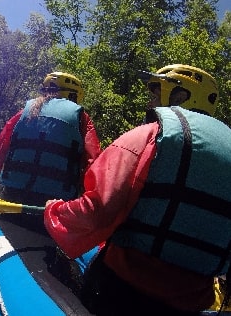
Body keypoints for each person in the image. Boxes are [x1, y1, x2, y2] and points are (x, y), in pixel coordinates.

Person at [44, 64, 231, 315]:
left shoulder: (148, 136)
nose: (150, 99)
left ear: (181, 96)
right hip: (191, 304)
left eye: (156, 91)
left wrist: (55, 211)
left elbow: (97, 211)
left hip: (122, 291)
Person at [0, 72, 101, 207]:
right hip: (55, 205)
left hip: (12, 195)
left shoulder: (25, 110)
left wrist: (4, 176)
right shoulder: (81, 117)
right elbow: (94, 162)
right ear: (73, 95)